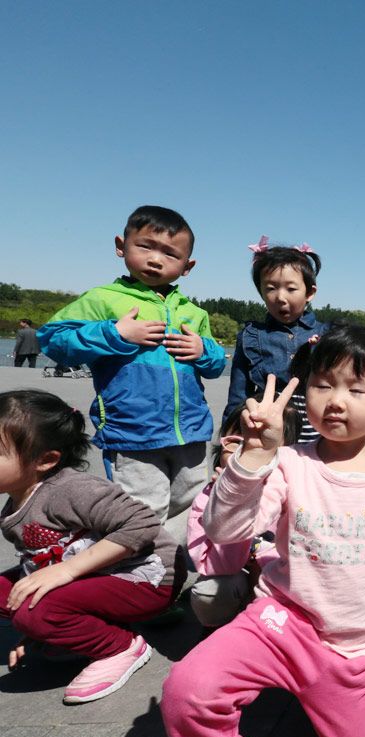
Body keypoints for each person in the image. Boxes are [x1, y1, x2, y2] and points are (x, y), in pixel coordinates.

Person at [161, 324, 365, 737]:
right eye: (322, 385)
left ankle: (336, 691)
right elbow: (225, 530)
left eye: (355, 389)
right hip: (282, 619)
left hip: (356, 637)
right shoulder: (288, 462)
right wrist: (253, 458)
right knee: (188, 687)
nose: (335, 401)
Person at [38, 206, 226, 548]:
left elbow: (214, 367)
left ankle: (170, 567)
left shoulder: (193, 312)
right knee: (142, 512)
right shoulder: (103, 299)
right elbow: (53, 340)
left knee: (193, 507)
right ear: (121, 246)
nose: (155, 259)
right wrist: (115, 333)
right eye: (145, 246)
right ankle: (142, 570)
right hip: (133, 432)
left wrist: (204, 350)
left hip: (190, 432)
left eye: (170, 254)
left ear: (187, 266)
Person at [0, 390, 180, 703]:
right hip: (96, 573)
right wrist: (35, 632)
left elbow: (142, 523)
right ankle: (71, 626)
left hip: (146, 576)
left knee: (35, 611)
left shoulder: (71, 489)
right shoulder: (16, 503)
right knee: (18, 600)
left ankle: (120, 647)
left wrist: (67, 571)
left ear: (46, 460)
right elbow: (39, 562)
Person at [186, 398, 299, 629]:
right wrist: (232, 503)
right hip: (233, 577)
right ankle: (219, 628)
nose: (245, 454)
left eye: (263, 445)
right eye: (235, 443)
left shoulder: (292, 492)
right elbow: (214, 566)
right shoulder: (208, 497)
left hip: (276, 580)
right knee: (209, 592)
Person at [222, 237, 329, 443]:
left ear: (310, 292)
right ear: (261, 292)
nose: (280, 297)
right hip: (269, 434)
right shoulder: (251, 336)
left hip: (318, 437)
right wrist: (230, 441)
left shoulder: (327, 334)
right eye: (271, 288)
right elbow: (238, 395)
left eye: (291, 289)